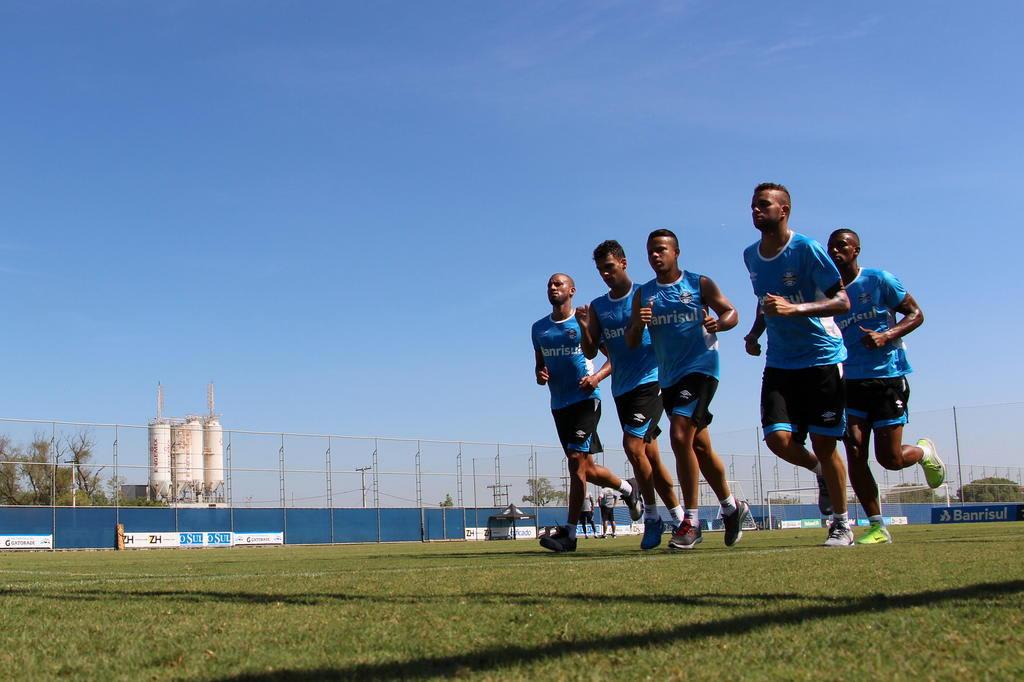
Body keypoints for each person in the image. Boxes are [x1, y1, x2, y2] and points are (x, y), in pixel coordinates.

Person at [742, 182, 854, 547]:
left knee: (826, 444)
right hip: (780, 361)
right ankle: (818, 471)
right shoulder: (751, 255)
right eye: (753, 206)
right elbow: (765, 302)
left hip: (822, 358)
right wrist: (755, 333)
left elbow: (842, 302)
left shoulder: (806, 249)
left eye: (764, 205)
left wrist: (796, 309)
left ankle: (841, 524)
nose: (756, 211)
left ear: (784, 210)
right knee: (777, 439)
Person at [626, 229, 752, 550]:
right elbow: (630, 341)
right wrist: (638, 324)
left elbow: (731, 312)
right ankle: (730, 507)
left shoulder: (698, 284)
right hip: (669, 378)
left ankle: (691, 522)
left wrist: (719, 323)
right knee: (700, 447)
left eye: (662, 250)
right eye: (651, 251)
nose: (656, 255)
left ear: (676, 252)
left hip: (701, 368)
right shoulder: (645, 295)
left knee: (679, 435)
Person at [827, 228, 946, 544]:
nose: (835, 251)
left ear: (856, 250)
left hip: (888, 377)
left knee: (889, 459)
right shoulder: (828, 293)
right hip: (849, 382)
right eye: (831, 248)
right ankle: (877, 525)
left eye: (842, 246)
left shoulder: (880, 279)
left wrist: (886, 336)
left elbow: (916, 314)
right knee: (853, 450)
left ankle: (922, 452)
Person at [577, 240, 685, 550]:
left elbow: (670, 328)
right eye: (600, 271)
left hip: (651, 381)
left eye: (609, 267)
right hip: (621, 389)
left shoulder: (645, 294)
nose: (605, 275)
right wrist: (586, 327)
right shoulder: (598, 306)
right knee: (651, 456)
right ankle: (679, 518)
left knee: (631, 445)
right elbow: (590, 349)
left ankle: (651, 518)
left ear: (623, 263)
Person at [532, 273, 641, 553]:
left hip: (586, 399)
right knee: (586, 468)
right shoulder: (538, 328)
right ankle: (629, 489)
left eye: (558, 284)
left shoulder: (583, 322)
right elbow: (539, 368)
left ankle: (569, 534)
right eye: (550, 284)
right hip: (559, 404)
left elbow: (612, 357)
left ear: (572, 290)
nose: (553, 288)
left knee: (575, 462)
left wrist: (597, 378)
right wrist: (541, 374)